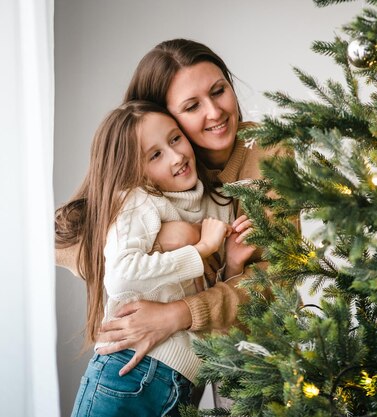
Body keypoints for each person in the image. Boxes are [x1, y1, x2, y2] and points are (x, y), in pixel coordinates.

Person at [55, 100, 256, 417]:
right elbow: (122, 275)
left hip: (178, 380)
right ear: (136, 171)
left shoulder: (208, 201)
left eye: (175, 138)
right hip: (127, 372)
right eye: (155, 155)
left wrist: (231, 264)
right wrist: (200, 248)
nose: (176, 156)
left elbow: (199, 299)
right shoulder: (137, 201)